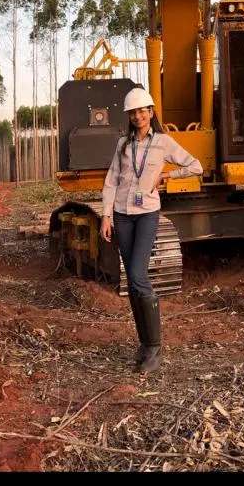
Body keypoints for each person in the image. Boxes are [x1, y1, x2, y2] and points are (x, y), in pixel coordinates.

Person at [100, 87, 203, 373]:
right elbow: (111, 182)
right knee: (131, 282)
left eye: (142, 110)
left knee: (137, 275)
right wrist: (106, 216)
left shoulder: (164, 142)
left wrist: (168, 175)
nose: (138, 116)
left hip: (146, 214)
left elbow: (196, 167)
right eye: (133, 112)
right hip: (121, 214)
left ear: (151, 112)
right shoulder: (122, 144)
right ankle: (144, 345)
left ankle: (155, 349)